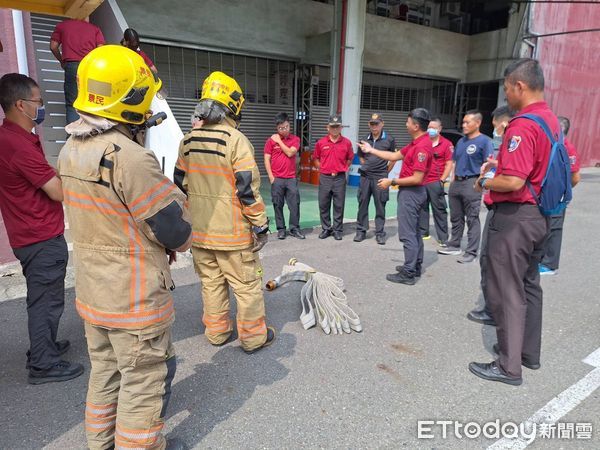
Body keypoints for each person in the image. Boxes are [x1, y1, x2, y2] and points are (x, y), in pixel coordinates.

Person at [58, 45, 191, 449]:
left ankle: (100, 445)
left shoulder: (69, 150)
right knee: (141, 384)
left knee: (106, 374)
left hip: (95, 296)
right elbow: (174, 233)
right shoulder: (130, 158)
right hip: (133, 302)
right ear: (129, 101)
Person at [469, 58, 557, 386]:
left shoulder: (523, 124)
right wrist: (501, 162)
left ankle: (508, 366)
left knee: (507, 290)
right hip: (540, 216)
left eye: (506, 88)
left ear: (519, 86)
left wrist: (486, 181)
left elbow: (513, 182)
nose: (506, 95)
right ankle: (526, 353)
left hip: (515, 219)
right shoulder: (550, 121)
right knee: (529, 285)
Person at [174, 71, 275, 354]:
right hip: (233, 235)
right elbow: (247, 190)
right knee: (246, 287)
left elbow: (179, 182)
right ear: (234, 105)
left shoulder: (188, 141)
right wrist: (261, 225)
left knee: (211, 283)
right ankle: (254, 337)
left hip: (201, 234)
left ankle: (217, 332)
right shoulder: (236, 140)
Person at [0, 73, 83, 385]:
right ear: (21, 105)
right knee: (45, 301)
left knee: (43, 297)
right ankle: (43, 364)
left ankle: (42, 348)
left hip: (27, 233)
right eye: (39, 102)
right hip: (40, 236)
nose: (43, 107)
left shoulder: (12, 138)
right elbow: (58, 191)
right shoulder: (17, 144)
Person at [359, 108, 432, 285]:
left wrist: (391, 182)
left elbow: (417, 177)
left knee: (408, 234)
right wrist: (371, 149)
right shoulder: (416, 143)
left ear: (416, 125)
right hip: (414, 193)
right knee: (415, 232)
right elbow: (393, 155)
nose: (405, 124)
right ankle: (415, 265)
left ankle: (408, 273)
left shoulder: (422, 147)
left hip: (412, 194)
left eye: (408, 122)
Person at [467, 105, 514, 327]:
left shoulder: (513, 145)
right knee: (492, 262)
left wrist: (484, 181)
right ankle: (494, 308)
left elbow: (511, 181)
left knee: (492, 261)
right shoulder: (504, 148)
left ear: (503, 123)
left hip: (503, 211)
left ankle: (494, 311)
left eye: (496, 125)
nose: (495, 129)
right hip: (501, 211)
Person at [439, 110, 494, 263]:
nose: (464, 125)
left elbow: (488, 164)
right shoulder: (461, 142)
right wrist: (452, 180)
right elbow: (454, 162)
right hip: (457, 182)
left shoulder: (484, 141)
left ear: (477, 123)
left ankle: (471, 251)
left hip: (472, 182)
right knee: (456, 217)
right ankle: (454, 244)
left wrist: (480, 182)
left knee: (472, 218)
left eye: (467, 122)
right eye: (463, 122)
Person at [538, 116, 581, 275]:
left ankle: (549, 264)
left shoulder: (567, 147)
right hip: (543, 194)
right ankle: (540, 258)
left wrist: (561, 192)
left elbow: (575, 177)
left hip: (556, 196)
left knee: (554, 229)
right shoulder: (550, 144)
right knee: (543, 227)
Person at [49, 18, 104, 124]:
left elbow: (53, 46)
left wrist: (62, 61)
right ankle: (90, 135)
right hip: (90, 67)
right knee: (91, 102)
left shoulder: (62, 26)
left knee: (72, 103)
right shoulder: (95, 29)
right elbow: (101, 51)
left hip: (72, 66)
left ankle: (72, 136)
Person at [354, 113, 396, 245]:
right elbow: (361, 156)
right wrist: (366, 166)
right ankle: (361, 231)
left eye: (376, 124)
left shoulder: (389, 139)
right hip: (365, 177)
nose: (374, 126)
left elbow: (393, 158)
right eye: (372, 124)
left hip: (380, 177)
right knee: (362, 204)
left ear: (382, 124)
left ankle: (380, 233)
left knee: (380, 205)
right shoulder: (364, 139)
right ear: (369, 125)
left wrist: (385, 171)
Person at [264, 112, 304, 240]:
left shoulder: (295, 139)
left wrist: (279, 142)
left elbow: (290, 153)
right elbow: (266, 159)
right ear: (277, 128)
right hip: (277, 179)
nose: (284, 130)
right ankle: (281, 229)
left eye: (286, 127)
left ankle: (294, 228)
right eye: (281, 128)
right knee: (277, 204)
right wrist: (271, 176)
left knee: (294, 204)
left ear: (289, 125)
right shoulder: (270, 141)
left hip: (291, 178)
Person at [313, 114, 354, 240]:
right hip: (325, 177)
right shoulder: (321, 143)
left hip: (339, 178)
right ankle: (326, 229)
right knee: (323, 204)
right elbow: (316, 158)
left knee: (339, 204)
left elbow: (349, 159)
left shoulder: (346, 143)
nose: (335, 129)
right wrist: (323, 168)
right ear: (328, 127)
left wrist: (342, 168)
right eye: (332, 127)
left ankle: (337, 230)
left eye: (337, 126)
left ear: (341, 127)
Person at [418, 117, 453, 245]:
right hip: (422, 180)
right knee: (422, 207)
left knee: (439, 209)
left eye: (434, 127)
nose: (431, 130)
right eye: (429, 127)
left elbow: (449, 164)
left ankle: (443, 237)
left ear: (440, 129)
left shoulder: (446, 144)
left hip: (435, 181)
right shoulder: (423, 142)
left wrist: (442, 180)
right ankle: (423, 232)